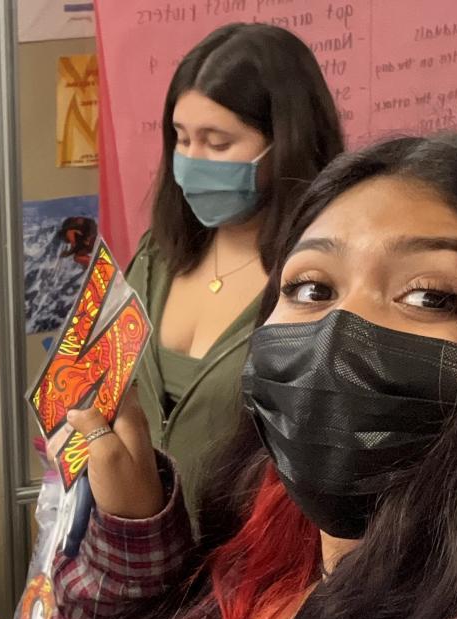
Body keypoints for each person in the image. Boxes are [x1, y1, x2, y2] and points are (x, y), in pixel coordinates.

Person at [45, 132, 457, 619]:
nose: (336, 332)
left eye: (430, 296)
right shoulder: (269, 544)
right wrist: (133, 519)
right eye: (311, 288)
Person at [126, 24, 344, 536]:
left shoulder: (322, 289)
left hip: (250, 563)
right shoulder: (157, 257)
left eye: (218, 142)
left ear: (285, 143)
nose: (191, 163)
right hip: (135, 552)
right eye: (181, 139)